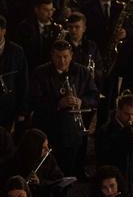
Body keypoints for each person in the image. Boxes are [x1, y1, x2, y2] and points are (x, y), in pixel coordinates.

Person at [30, 40, 99, 177]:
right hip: (49, 129)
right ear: (52, 56)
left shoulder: (82, 72)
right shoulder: (40, 72)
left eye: (65, 57)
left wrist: (81, 101)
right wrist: (58, 104)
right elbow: (34, 100)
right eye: (58, 57)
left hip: (72, 132)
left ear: (71, 55)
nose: (62, 61)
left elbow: (94, 96)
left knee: (69, 170)